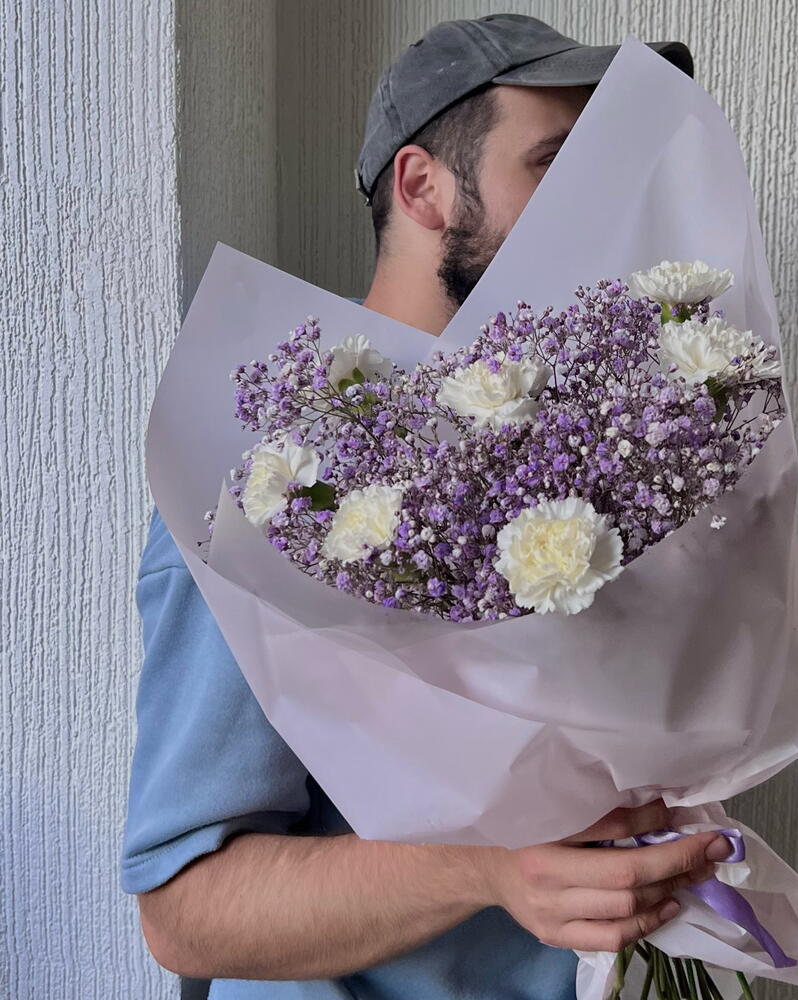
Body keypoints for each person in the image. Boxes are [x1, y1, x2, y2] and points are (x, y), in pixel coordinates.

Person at [122, 14, 729, 999]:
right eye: (556, 165)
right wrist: (487, 870)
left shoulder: (597, 451)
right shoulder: (270, 482)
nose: (603, 201)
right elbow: (182, 909)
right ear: (422, 188)